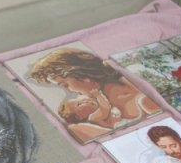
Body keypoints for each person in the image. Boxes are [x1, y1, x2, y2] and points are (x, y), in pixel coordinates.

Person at [30, 47, 160, 125]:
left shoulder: (134, 94)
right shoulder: (100, 107)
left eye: (65, 84)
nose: (69, 91)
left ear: (81, 75)